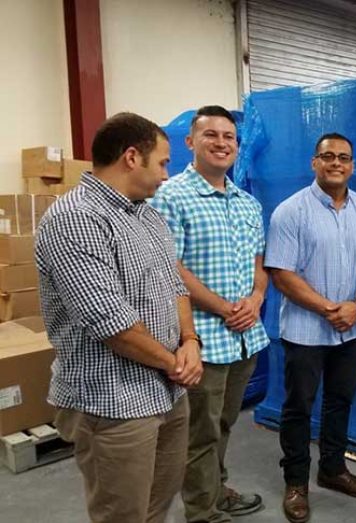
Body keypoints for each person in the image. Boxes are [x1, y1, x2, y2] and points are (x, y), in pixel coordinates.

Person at [35, 112, 203, 523]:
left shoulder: (149, 215)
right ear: (132, 157)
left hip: (167, 390)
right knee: (121, 515)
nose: (168, 173)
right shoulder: (76, 219)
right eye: (163, 162)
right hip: (113, 402)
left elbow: (175, 285)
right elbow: (111, 323)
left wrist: (191, 343)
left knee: (156, 506)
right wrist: (175, 364)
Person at [150, 105, 268, 521]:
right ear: (190, 142)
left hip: (245, 338)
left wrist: (255, 300)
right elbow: (171, 266)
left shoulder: (247, 204)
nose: (221, 143)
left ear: (238, 145)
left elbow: (259, 265)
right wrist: (222, 308)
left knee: (222, 425)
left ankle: (215, 490)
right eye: (211, 135)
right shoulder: (170, 196)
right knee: (199, 433)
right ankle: (202, 513)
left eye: (229, 137)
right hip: (203, 339)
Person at [266, 133, 356, 523]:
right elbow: (281, 274)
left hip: (352, 328)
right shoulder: (290, 211)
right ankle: (297, 481)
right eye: (328, 156)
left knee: (341, 402)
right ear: (314, 162)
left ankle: (333, 469)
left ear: (353, 166)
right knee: (299, 406)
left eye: (344, 158)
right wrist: (328, 309)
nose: (336, 163)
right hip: (305, 331)